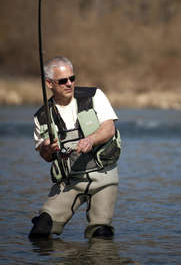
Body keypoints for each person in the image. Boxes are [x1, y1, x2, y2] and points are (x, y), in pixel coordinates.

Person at [29, 56, 121, 240]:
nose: (69, 83)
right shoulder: (41, 117)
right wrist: (48, 148)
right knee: (40, 230)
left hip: (103, 176)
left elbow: (109, 129)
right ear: (49, 83)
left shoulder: (94, 96)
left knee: (101, 233)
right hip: (69, 181)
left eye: (72, 78)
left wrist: (91, 140)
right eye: (63, 81)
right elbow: (45, 156)